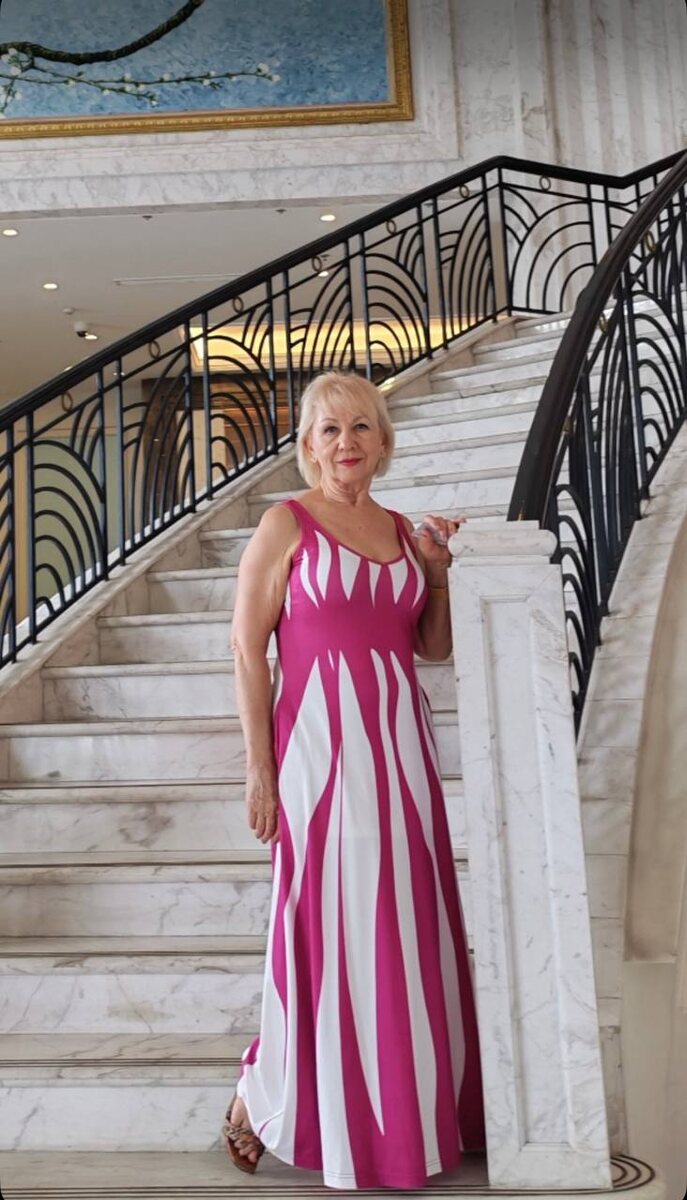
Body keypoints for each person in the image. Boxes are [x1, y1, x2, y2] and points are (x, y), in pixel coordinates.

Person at [222, 370, 484, 1190]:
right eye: (330, 429)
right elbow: (246, 651)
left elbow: (430, 647)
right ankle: (262, 1089)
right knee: (325, 926)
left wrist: (435, 570)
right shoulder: (284, 523)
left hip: (401, 756)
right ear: (308, 444)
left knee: (402, 925)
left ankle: (406, 1116)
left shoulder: (404, 531)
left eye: (361, 427)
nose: (346, 443)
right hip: (318, 760)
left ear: (382, 442)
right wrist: (261, 771)